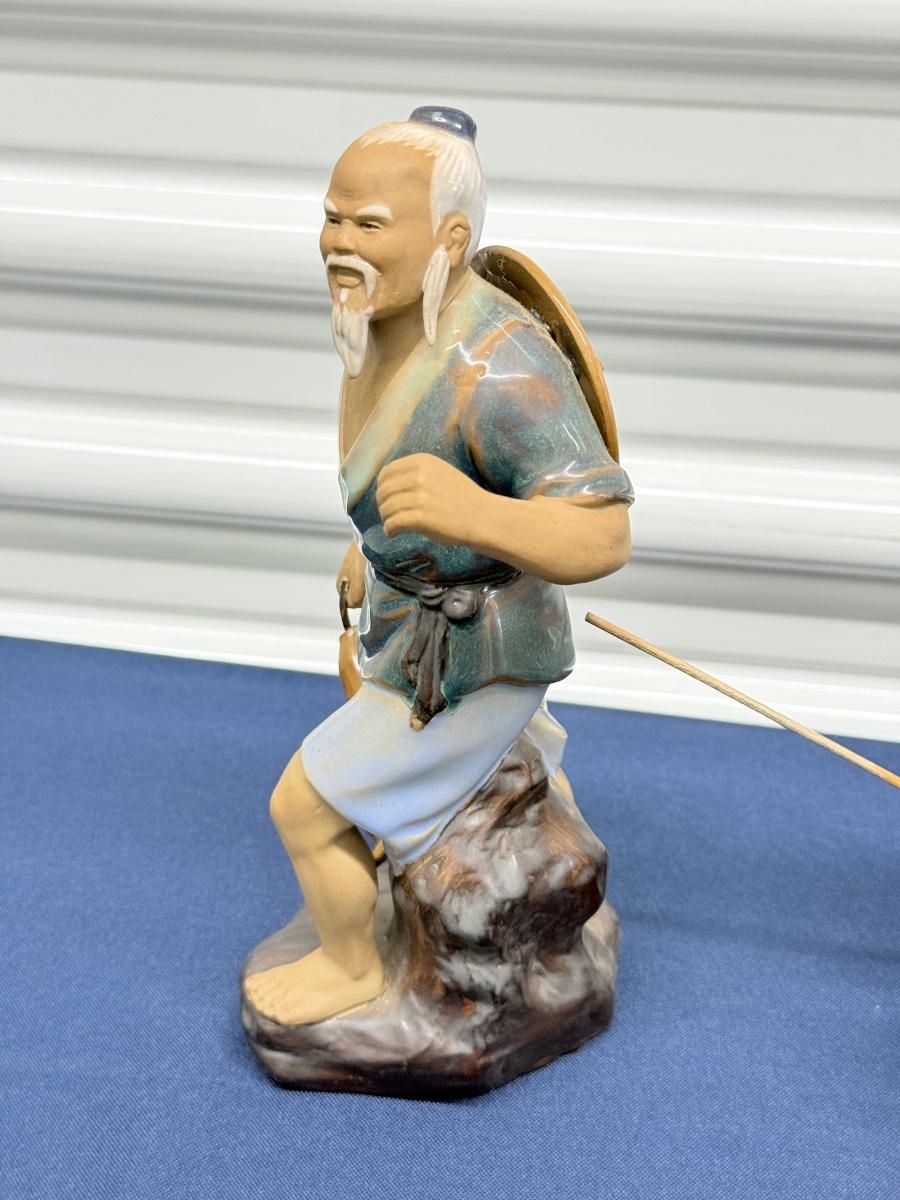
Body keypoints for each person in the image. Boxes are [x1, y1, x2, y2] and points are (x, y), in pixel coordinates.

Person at [244, 107, 633, 1026]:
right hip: (409, 621)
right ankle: (507, 788)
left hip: (476, 654)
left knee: (303, 809)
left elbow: (603, 535)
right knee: (378, 712)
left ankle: (349, 967)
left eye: (369, 223)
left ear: (449, 239)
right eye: (332, 217)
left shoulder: (502, 367)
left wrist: (473, 513)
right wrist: (374, 548)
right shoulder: (386, 321)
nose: (340, 243)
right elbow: (400, 475)